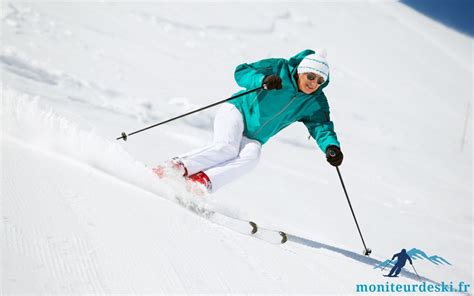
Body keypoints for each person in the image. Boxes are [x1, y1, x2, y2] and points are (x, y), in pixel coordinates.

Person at [154, 49, 343, 194]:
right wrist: (262, 80)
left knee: (251, 157)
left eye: (319, 80)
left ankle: (199, 184)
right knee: (226, 148)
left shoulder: (315, 101)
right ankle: (174, 167)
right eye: (310, 76)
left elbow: (321, 126)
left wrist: (331, 147)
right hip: (237, 111)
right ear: (301, 71)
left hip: (254, 136)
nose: (313, 83)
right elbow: (242, 71)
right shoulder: (279, 68)